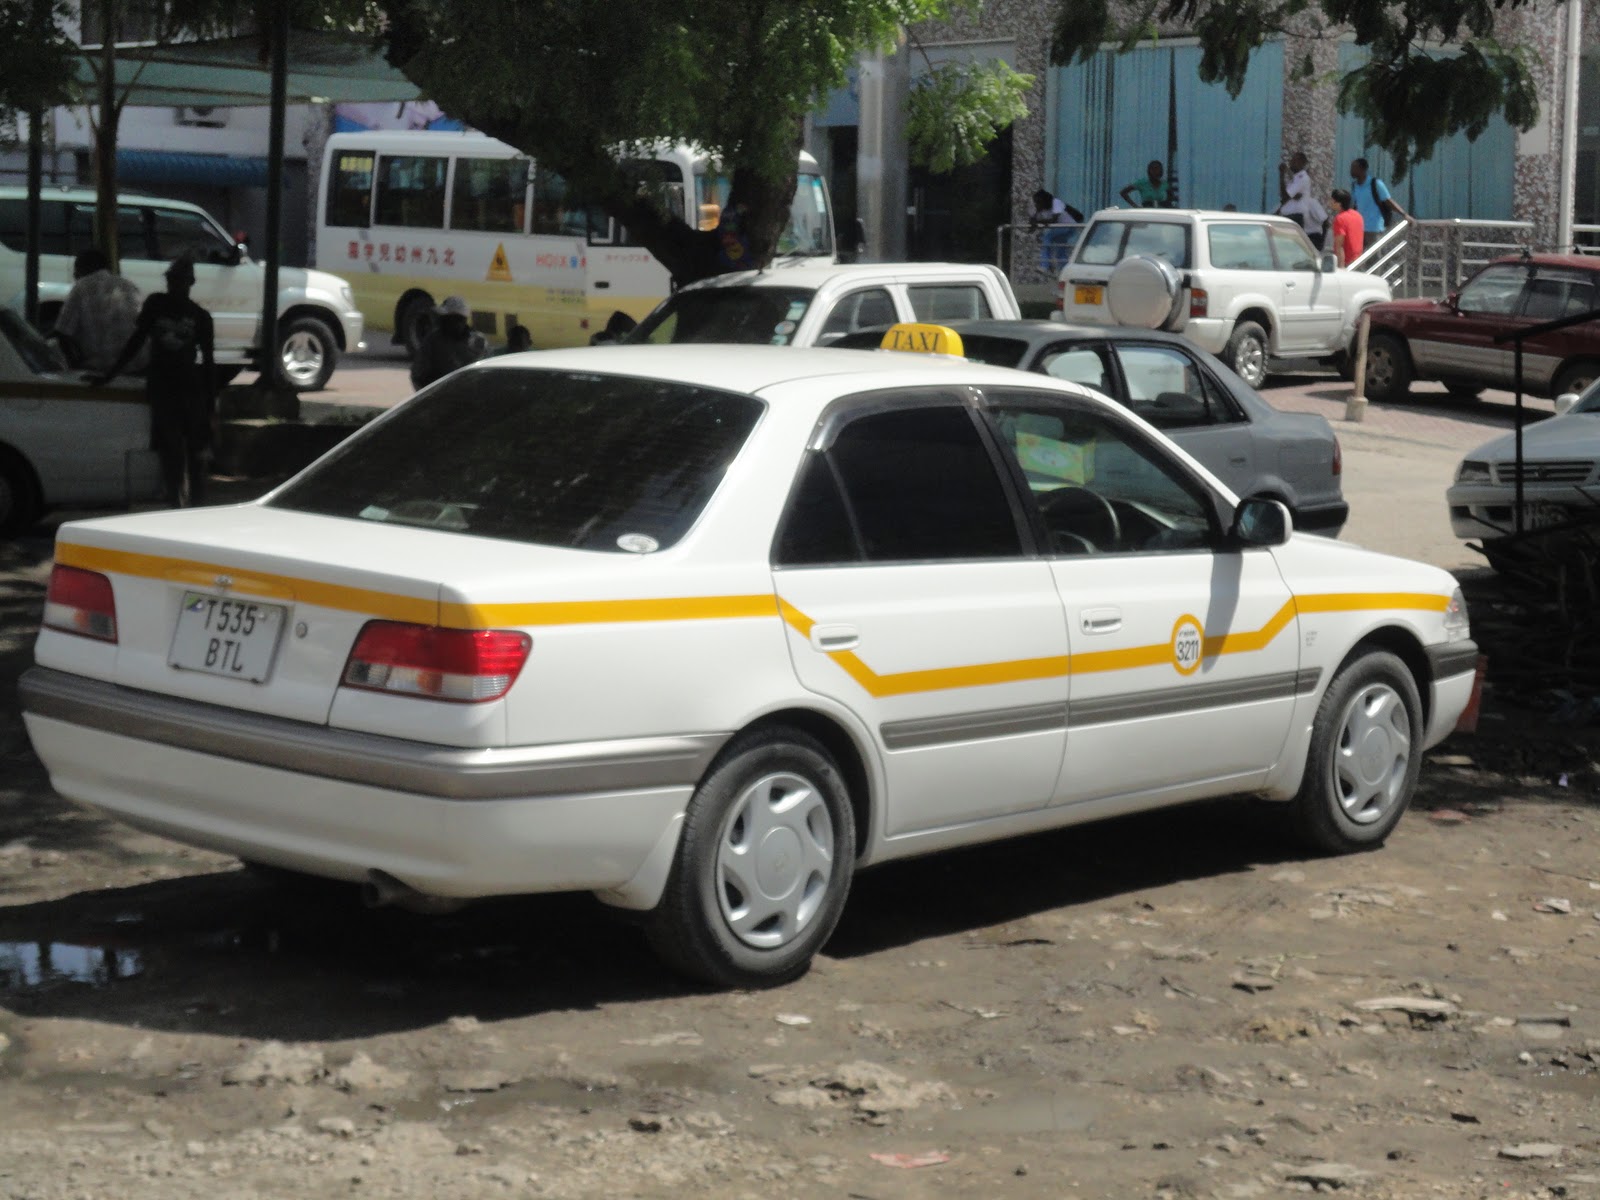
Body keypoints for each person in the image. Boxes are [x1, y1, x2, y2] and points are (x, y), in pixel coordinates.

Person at [90, 256, 216, 506]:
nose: (174, 284)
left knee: (192, 452)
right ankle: (175, 501)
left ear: (189, 283)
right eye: (172, 280)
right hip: (164, 385)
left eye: (178, 280)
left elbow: (209, 361)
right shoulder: (156, 304)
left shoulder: (201, 317)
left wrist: (209, 401)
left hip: (186, 388)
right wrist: (112, 373)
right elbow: (136, 340)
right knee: (171, 449)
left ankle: (195, 507)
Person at [51, 248, 143, 375]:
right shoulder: (129, 285)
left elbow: (62, 333)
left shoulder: (81, 287)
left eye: (76, 268)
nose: (75, 274)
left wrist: (75, 367)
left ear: (84, 267)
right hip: (136, 367)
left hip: (101, 368)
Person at [410, 295, 487, 390]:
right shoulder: (433, 341)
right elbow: (418, 375)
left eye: (446, 317)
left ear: (460, 320)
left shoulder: (477, 342)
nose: (441, 320)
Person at [1350, 158, 1411, 251]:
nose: (1351, 171)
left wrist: (1404, 214)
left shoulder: (1375, 184)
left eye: (1354, 168)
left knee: (1374, 259)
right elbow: (1354, 205)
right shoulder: (1354, 186)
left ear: (1362, 169)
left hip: (1374, 228)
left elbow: (1388, 201)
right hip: (1359, 228)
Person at [1277, 152, 1327, 249]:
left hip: (1296, 216)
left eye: (1295, 161)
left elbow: (1285, 195)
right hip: (1290, 216)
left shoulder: (1302, 178)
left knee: (1292, 246)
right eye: (1292, 160)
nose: (1291, 163)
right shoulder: (1295, 178)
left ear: (1302, 163)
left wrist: (1282, 175)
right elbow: (1284, 197)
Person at [1329, 189, 1364, 268]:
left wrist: (1341, 267)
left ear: (1338, 203)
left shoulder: (1340, 218)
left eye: (1332, 200)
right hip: (1359, 259)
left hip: (1347, 262)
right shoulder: (1358, 215)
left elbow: (1339, 245)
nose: (1330, 202)